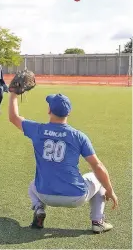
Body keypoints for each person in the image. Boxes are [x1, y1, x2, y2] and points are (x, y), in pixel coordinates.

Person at [7, 91, 117, 233]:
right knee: (98, 177)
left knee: (33, 184)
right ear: (69, 113)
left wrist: (14, 95)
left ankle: (39, 209)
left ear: (49, 110)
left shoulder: (38, 130)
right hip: (75, 197)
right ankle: (98, 221)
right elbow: (98, 166)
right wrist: (110, 190)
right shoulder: (78, 136)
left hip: (44, 194)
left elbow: (13, 117)